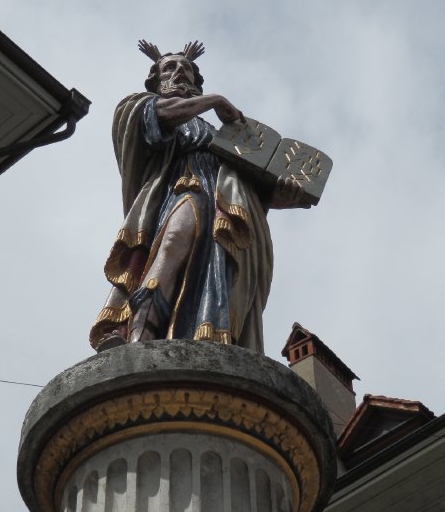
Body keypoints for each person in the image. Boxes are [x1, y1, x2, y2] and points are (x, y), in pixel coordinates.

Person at [90, 41, 304, 353]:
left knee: (219, 272)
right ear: (156, 79)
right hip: (181, 187)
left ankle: (208, 339)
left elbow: (244, 186)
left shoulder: (216, 134)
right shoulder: (142, 107)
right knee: (173, 241)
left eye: (186, 68)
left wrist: (275, 196)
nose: (179, 72)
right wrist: (214, 100)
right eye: (170, 68)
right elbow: (161, 117)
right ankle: (138, 336)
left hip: (220, 202)